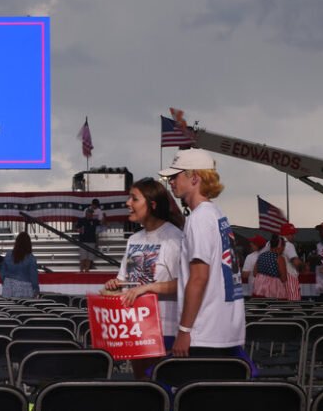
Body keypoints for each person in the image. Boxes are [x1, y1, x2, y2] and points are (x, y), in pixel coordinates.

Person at [158, 149, 245, 358]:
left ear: (195, 177)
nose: (170, 181)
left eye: (175, 176)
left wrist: (184, 331)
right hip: (223, 329)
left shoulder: (199, 218)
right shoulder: (216, 214)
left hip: (203, 333)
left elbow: (198, 277)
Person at [102, 178, 184, 379]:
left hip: (164, 327)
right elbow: (126, 280)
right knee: (143, 385)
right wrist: (115, 284)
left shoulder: (174, 238)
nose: (128, 203)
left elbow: (183, 285)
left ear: (152, 205)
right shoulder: (134, 239)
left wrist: (146, 289)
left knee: (161, 385)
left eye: (134, 199)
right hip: (135, 326)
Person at [0, 231, 40, 298]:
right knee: (23, 308)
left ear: (16, 242)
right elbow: (34, 277)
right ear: (29, 244)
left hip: (8, 286)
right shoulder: (31, 258)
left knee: (8, 307)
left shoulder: (8, 255)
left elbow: (2, 273)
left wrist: (6, 282)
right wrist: (36, 290)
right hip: (25, 287)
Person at [252, 235, 288, 299]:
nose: (284, 248)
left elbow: (254, 273)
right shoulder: (280, 258)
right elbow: (284, 278)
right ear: (279, 246)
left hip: (259, 289)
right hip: (274, 291)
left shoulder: (261, 255)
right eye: (284, 246)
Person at [79, 199, 106, 272]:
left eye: (91, 213)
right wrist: (79, 230)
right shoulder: (82, 219)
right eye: (89, 213)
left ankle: (87, 270)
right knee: (83, 257)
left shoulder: (94, 220)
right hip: (83, 240)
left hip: (93, 238)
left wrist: (104, 217)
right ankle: (81, 270)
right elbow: (77, 227)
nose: (90, 214)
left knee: (90, 257)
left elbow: (101, 222)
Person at [279, 223, 304, 301]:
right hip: (289, 278)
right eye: (293, 234)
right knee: (294, 305)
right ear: (288, 234)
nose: (294, 236)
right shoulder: (288, 245)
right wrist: (304, 266)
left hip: (276, 279)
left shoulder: (270, 243)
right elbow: (296, 263)